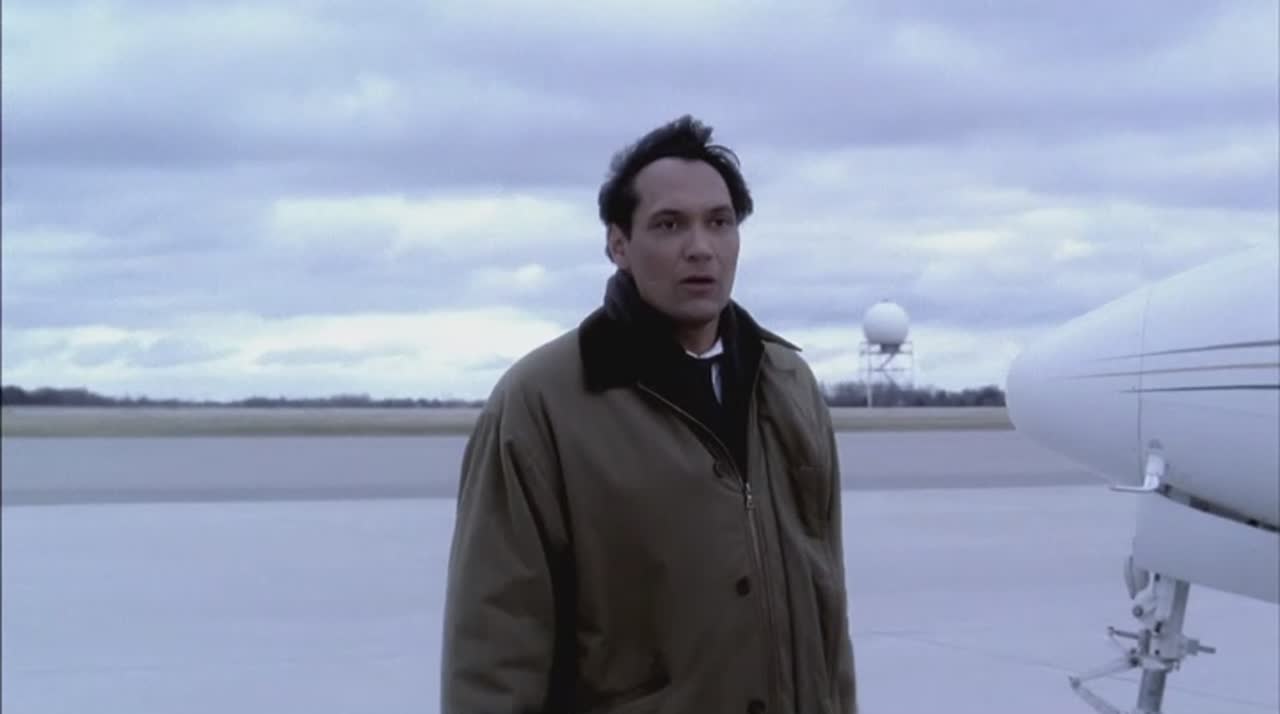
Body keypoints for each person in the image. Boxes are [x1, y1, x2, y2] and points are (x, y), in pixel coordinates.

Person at [440, 115, 857, 713]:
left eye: (719, 222)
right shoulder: (542, 403)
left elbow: (828, 615)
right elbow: (495, 648)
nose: (700, 247)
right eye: (669, 224)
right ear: (618, 245)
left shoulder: (788, 385)